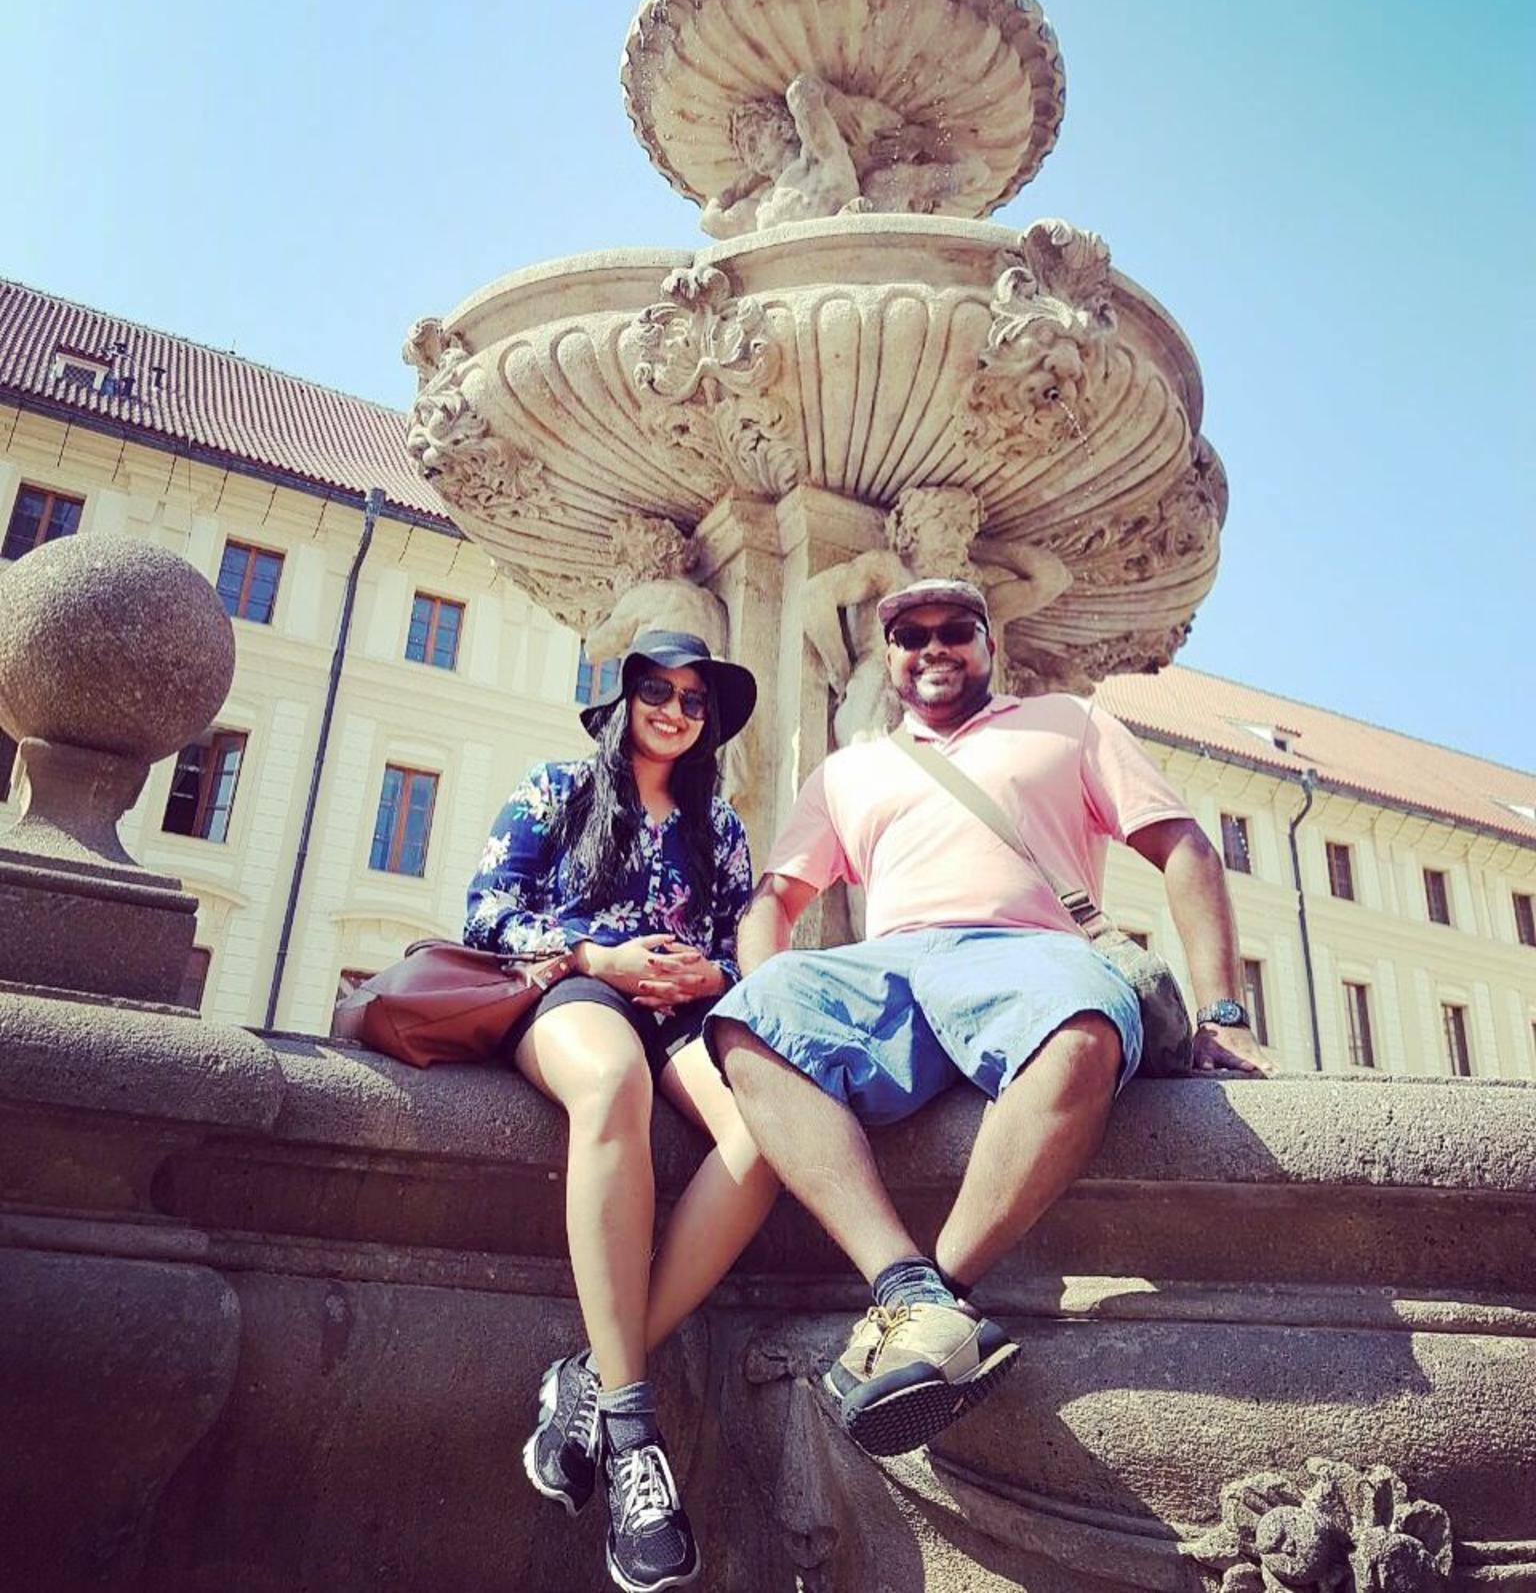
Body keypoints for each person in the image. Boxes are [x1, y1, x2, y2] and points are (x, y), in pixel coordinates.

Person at [706, 579, 1270, 1459]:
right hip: (888, 964)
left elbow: (1185, 846)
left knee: (1086, 1026)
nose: (934, 648)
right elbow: (773, 900)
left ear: (988, 644)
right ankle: (911, 1292)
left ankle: (937, 1295)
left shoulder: (1067, 722)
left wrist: (1223, 1012)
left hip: (1027, 954)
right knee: (747, 1021)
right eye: (912, 636)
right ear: (888, 659)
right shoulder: (849, 769)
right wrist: (765, 975)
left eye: (955, 631)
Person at [465, 629, 776, 1593]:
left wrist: (710, 969)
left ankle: (591, 1377)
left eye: (693, 699)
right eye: (659, 690)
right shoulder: (558, 787)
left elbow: (736, 944)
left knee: (767, 1143)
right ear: (626, 694)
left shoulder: (716, 825)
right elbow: (484, 912)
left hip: (681, 1017)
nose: (675, 710)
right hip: (575, 999)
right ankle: (634, 1431)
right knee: (612, 1087)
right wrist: (600, 958)